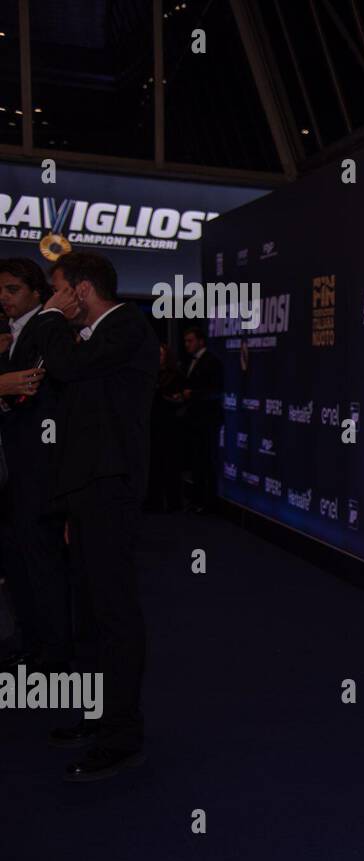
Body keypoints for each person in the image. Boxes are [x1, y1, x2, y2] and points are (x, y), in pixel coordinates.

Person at [31, 251, 159, 781]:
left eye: (58, 289)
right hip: (87, 493)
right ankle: (98, 716)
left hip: (112, 491)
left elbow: (65, 368)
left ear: (81, 290)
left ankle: (121, 735)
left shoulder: (127, 325)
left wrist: (48, 319)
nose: (53, 299)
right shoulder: (94, 336)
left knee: (114, 613)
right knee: (89, 614)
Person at [0, 257, 70, 674]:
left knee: (41, 562)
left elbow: (35, 399)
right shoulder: (12, 335)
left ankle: (53, 650)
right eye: (0, 290)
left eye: (12, 289)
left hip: (37, 471)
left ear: (37, 292)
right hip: (12, 472)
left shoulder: (47, 329)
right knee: (17, 562)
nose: (3, 297)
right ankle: (30, 640)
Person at [179, 325, 222, 513]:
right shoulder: (190, 361)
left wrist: (192, 394)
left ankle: (208, 502)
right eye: (185, 341)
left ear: (201, 341)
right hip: (194, 420)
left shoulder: (212, 361)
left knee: (207, 461)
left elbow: (216, 390)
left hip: (207, 420)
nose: (186, 344)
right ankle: (197, 500)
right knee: (196, 460)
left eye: (190, 341)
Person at [146, 343, 185, 512]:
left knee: (170, 465)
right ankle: (154, 501)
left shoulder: (175, 375)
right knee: (154, 464)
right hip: (153, 425)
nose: (158, 357)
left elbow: (176, 398)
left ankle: (173, 503)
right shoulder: (151, 374)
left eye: (161, 354)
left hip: (169, 426)